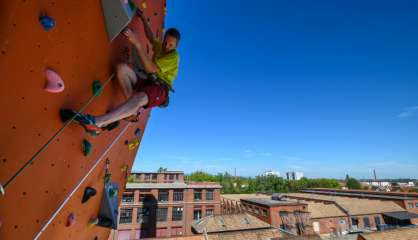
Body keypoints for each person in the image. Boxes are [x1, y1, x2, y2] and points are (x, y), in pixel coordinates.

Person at [61, 10, 180, 134]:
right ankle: (132, 112)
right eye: (165, 42)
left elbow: (151, 69)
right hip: (149, 81)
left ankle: (98, 122)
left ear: (176, 46)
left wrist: (137, 43)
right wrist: (144, 19)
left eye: (171, 45)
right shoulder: (161, 47)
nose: (166, 46)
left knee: (141, 97)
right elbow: (150, 36)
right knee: (121, 69)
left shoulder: (174, 57)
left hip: (161, 88)